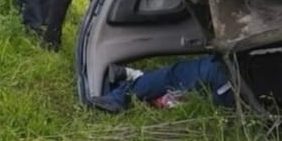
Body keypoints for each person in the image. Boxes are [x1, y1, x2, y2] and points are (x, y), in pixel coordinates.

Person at [84, 54, 236, 113]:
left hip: (234, 77)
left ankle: (122, 93)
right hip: (241, 84)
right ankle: (131, 80)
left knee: (176, 76)